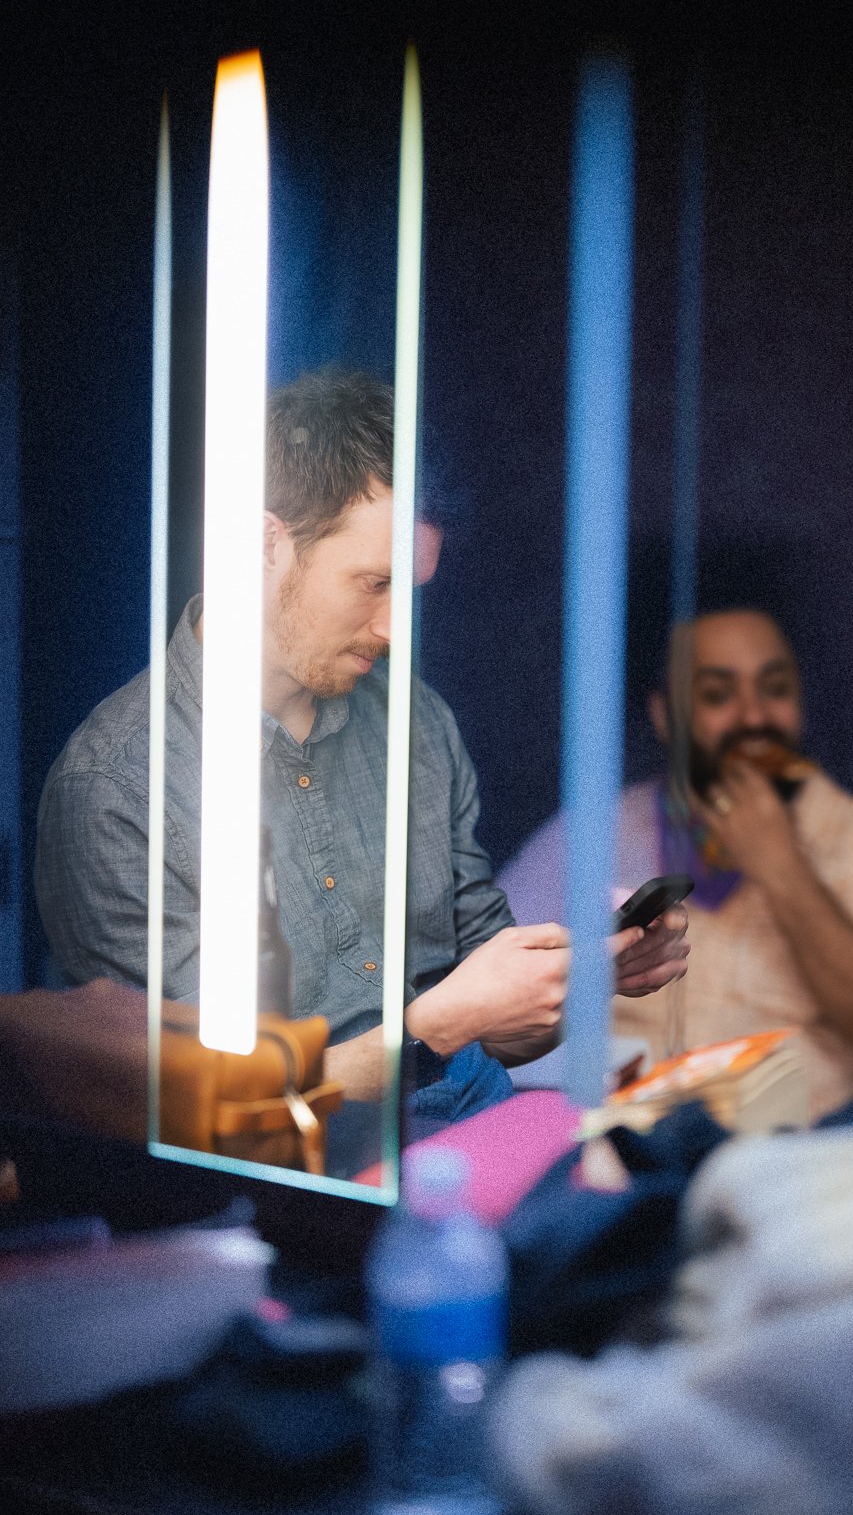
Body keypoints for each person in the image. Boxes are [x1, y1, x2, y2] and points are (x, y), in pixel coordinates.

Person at [33, 370, 688, 1118]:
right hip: (303, 1173)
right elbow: (204, 1110)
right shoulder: (114, 788)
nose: (394, 629)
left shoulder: (417, 722)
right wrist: (431, 1031)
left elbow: (493, 1033)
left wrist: (581, 979)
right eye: (374, 584)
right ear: (265, 545)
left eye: (410, 594)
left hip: (473, 1136)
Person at [501, 608, 853, 1124]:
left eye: (775, 690)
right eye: (717, 695)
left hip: (807, 1147)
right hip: (621, 1139)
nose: (754, 719)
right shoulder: (594, 836)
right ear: (665, 716)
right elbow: (492, 1014)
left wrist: (780, 865)